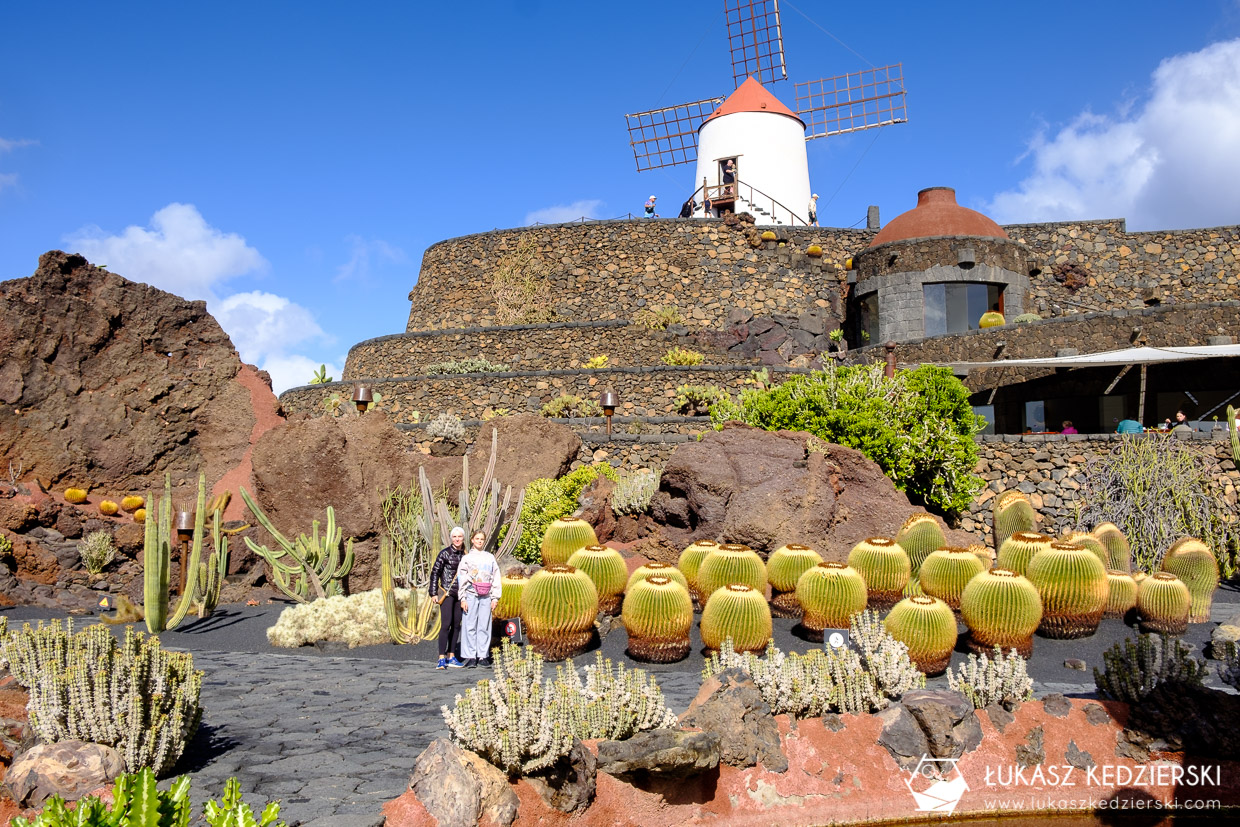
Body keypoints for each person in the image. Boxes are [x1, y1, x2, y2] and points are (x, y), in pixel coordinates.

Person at [456, 530, 502, 668]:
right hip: (471, 594)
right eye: (477, 538)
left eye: (482, 539)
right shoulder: (467, 558)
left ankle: (483, 655)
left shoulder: (490, 557)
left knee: (484, 625)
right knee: (469, 625)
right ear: (472, 540)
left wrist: (495, 597)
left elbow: (496, 577)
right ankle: (470, 656)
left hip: (486, 595)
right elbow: (461, 578)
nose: (479, 541)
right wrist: (462, 598)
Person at [430, 526, 467, 669]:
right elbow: (435, 573)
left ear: (463, 538)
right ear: (451, 538)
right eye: (455, 537)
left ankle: (451, 656)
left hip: (461, 594)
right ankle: (441, 658)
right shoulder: (444, 554)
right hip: (447, 593)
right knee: (446, 624)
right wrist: (433, 592)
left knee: (456, 625)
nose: (457, 539)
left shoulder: (466, 555)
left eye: (460, 537)